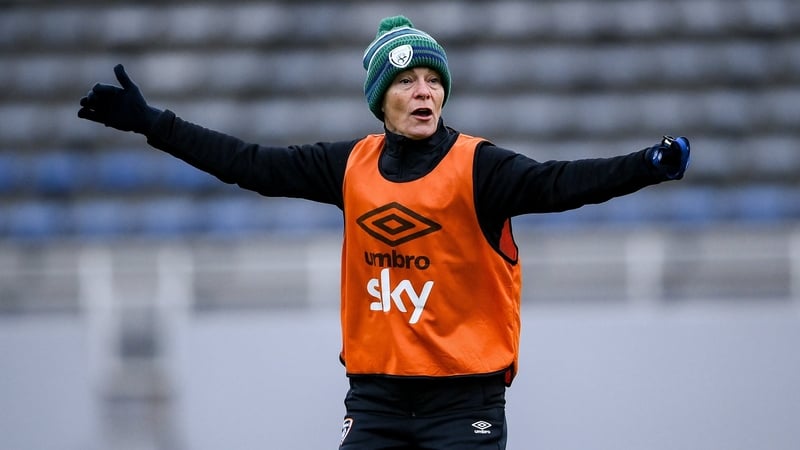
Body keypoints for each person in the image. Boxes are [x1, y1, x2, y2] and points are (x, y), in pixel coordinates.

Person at [78, 15, 690, 450]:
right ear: (381, 98)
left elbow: (562, 182)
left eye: (432, 79)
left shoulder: (480, 168)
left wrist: (646, 165)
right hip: (374, 403)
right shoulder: (351, 166)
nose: (423, 90)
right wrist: (154, 123)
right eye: (406, 81)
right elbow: (251, 165)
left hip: (464, 408)